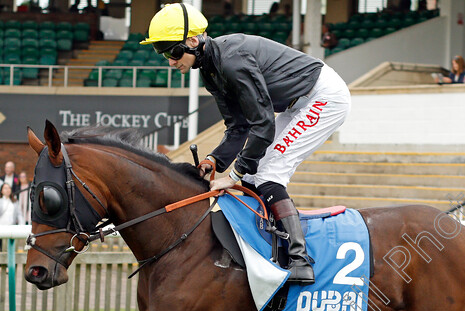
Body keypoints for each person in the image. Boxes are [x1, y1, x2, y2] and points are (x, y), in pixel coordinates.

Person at [143, 3, 352, 284]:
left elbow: (262, 125)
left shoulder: (231, 61)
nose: (170, 61)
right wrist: (213, 161)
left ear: (193, 41)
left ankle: (300, 260)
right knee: (254, 173)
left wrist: (234, 175)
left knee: (267, 173)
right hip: (296, 103)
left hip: (323, 97)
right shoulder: (211, 72)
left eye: (173, 52)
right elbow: (238, 127)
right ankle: (266, 248)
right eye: (164, 54)